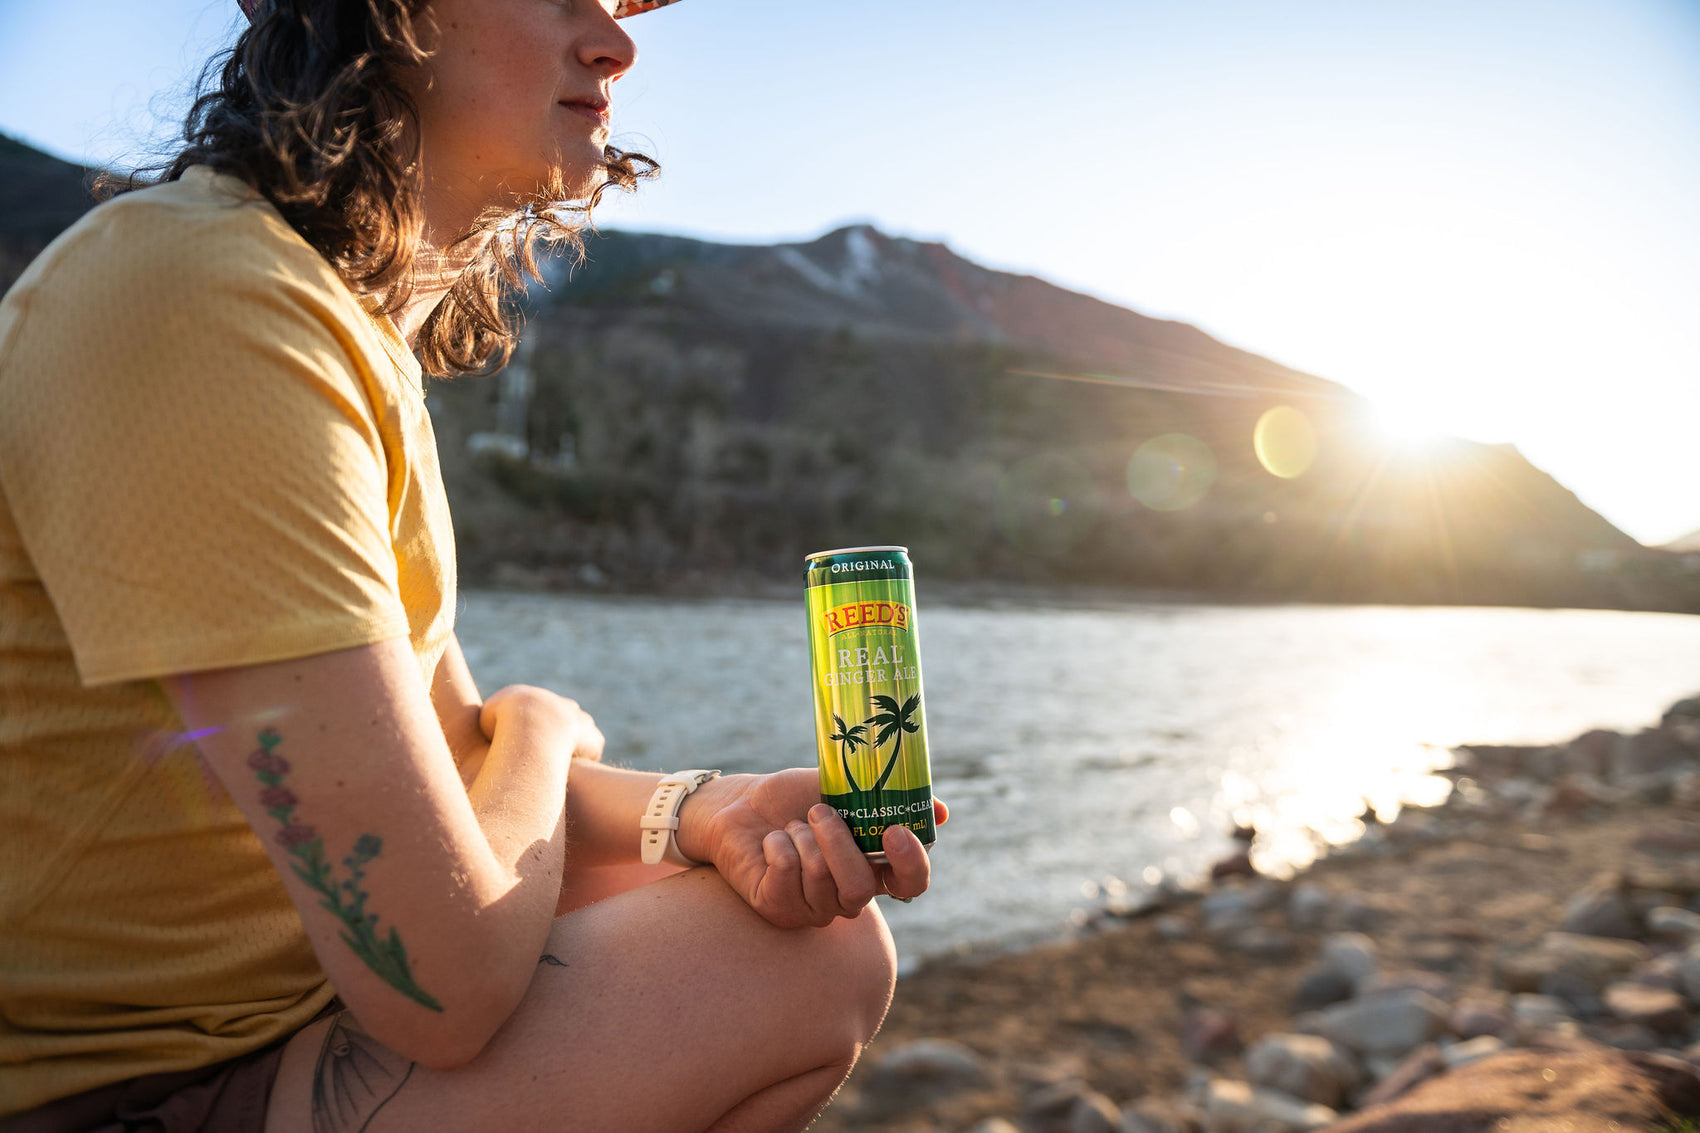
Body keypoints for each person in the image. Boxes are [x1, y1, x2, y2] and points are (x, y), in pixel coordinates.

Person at [0, 1, 944, 1130]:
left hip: (262, 1031)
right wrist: (541, 725)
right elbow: (439, 988)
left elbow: (453, 767)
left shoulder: (337, 328)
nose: (615, 43)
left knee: (805, 932)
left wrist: (707, 808)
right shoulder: (203, 301)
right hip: (98, 1093)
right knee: (799, 969)